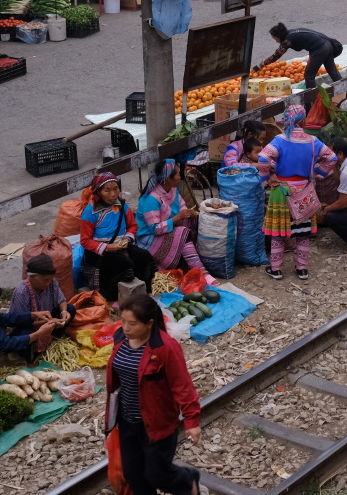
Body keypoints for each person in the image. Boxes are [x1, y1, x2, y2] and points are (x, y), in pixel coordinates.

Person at [105, 294, 202, 495]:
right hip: (127, 421)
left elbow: (182, 385)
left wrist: (191, 420)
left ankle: (188, 481)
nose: (125, 328)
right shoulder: (121, 338)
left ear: (149, 323)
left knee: (157, 474)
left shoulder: (166, 347)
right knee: (133, 474)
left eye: (132, 324)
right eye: (122, 321)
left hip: (157, 423)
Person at [257, 104, 337, 281]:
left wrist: (267, 178)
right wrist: (318, 171)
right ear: (303, 121)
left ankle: (276, 269)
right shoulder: (313, 141)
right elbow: (332, 158)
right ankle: (302, 269)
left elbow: (263, 158)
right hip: (304, 190)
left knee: (279, 232)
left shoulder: (280, 140)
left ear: (287, 120)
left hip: (282, 190)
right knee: (303, 232)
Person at [79, 172, 157, 301]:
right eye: (107, 190)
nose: (113, 194)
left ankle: (145, 292)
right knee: (124, 264)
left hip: (121, 246)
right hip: (99, 252)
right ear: (98, 192)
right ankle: (111, 297)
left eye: (116, 189)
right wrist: (108, 247)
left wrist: (127, 239)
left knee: (144, 256)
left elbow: (132, 226)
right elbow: (85, 241)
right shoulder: (90, 211)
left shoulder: (122, 206)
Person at [136, 159, 216, 281]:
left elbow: (181, 205)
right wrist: (178, 217)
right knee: (182, 232)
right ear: (169, 179)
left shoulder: (172, 189)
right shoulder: (151, 199)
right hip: (149, 239)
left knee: (193, 220)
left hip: (166, 229)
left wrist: (187, 213)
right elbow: (155, 229)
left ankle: (190, 260)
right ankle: (201, 273)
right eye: (178, 174)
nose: (180, 177)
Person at [7, 254, 75, 360]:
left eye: (50, 279)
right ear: (32, 276)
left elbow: (61, 300)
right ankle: (31, 354)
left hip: (48, 320)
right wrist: (48, 323)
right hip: (30, 326)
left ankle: (53, 339)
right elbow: (19, 322)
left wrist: (64, 312)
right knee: (24, 335)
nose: (48, 283)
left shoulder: (51, 282)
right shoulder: (22, 291)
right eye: (44, 280)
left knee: (70, 309)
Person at [255, 23, 343, 89]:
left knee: (309, 75)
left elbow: (276, 55)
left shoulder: (287, 40)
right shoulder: (291, 33)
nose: (275, 41)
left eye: (275, 38)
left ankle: (311, 100)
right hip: (328, 45)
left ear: (278, 36)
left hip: (320, 49)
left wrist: (260, 66)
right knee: (332, 70)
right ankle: (343, 89)